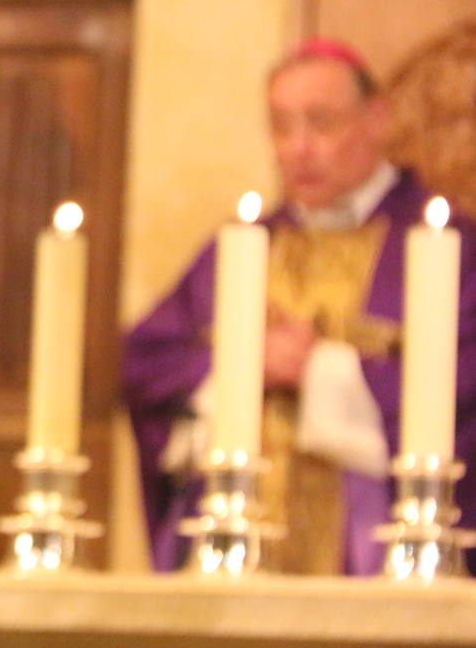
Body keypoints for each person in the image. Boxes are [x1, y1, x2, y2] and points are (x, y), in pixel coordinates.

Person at [124, 38, 476, 574]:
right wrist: (239, 366)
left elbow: (467, 383)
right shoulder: (241, 248)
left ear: (378, 119)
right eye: (281, 127)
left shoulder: (448, 245)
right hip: (237, 556)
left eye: (322, 122)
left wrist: (323, 371)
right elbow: (144, 364)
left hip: (377, 557)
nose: (298, 148)